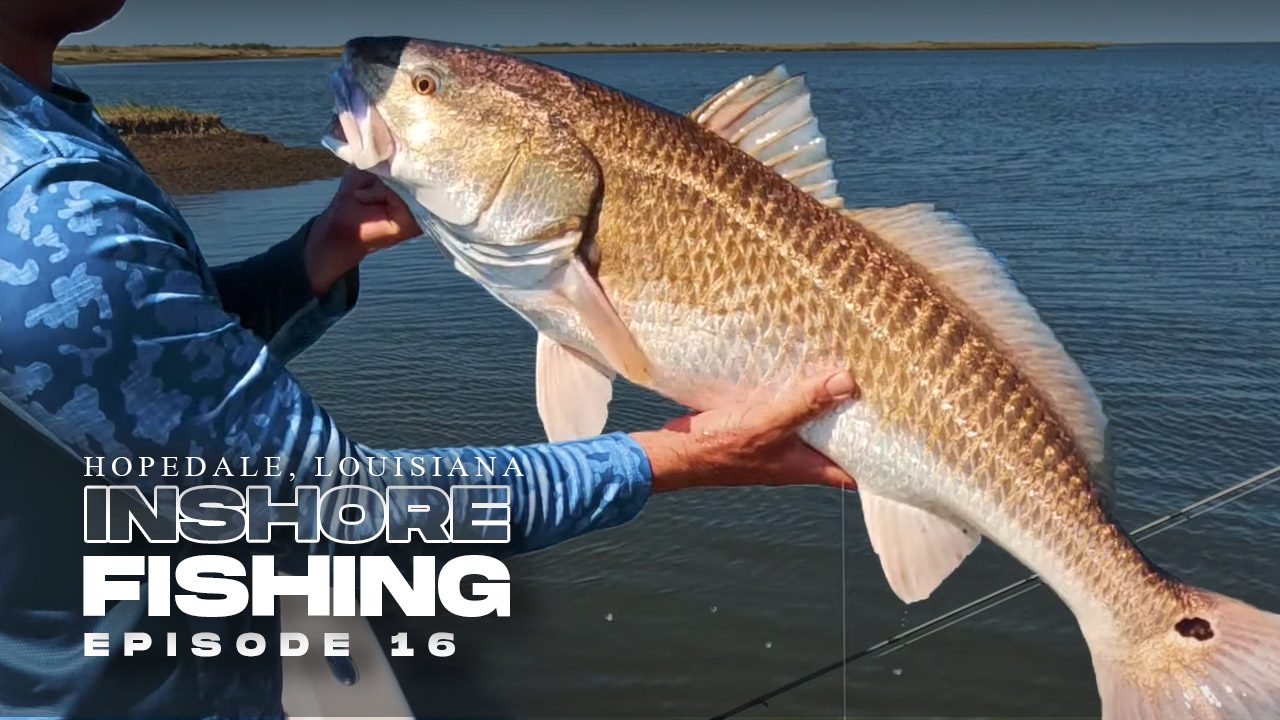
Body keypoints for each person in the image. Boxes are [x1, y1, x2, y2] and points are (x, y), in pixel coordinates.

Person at [0, 1, 857, 717]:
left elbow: (134, 380)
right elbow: (343, 505)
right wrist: (673, 459)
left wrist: (315, 258)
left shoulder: (42, 116)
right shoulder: (54, 212)